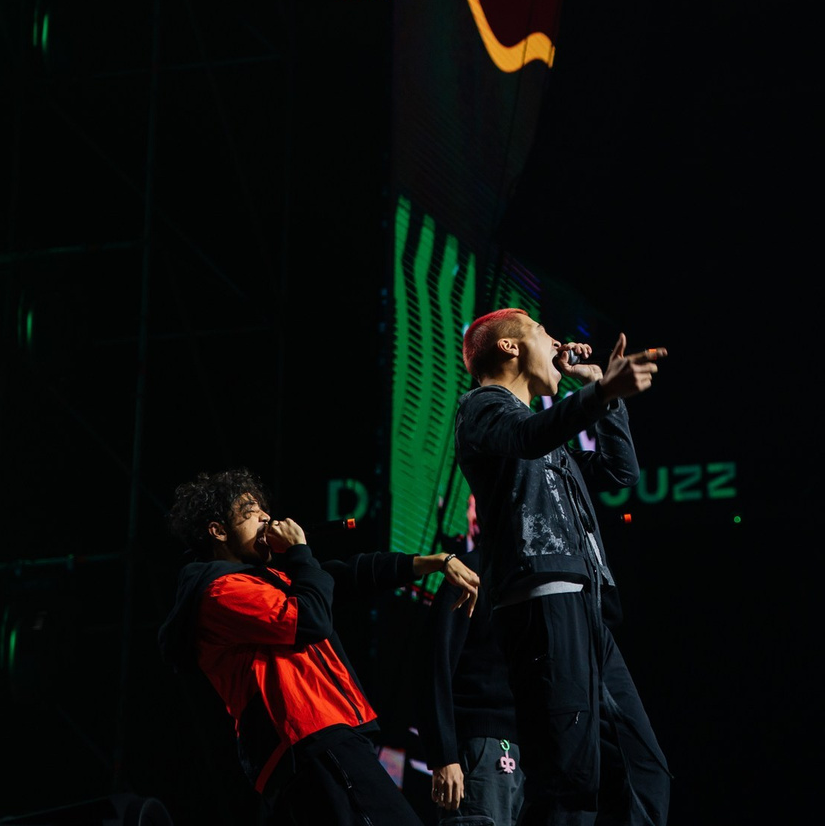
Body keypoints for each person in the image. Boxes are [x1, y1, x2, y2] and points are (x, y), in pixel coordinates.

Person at [157, 467, 481, 825]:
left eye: (265, 510)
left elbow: (350, 575)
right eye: (250, 513)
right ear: (218, 531)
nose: (266, 519)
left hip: (322, 737)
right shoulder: (221, 593)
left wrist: (434, 562)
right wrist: (299, 550)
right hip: (309, 737)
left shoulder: (267, 581)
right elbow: (309, 618)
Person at [454, 311, 672, 825]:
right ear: (509, 347)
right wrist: (598, 394)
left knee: (643, 769)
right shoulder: (482, 407)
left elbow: (621, 471)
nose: (557, 343)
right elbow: (528, 436)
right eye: (542, 333)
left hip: (586, 610)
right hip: (544, 606)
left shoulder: (542, 433)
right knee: (567, 783)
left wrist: (603, 393)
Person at [424, 538, 523, 824]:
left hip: (526, 752)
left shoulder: (530, 577)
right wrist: (444, 756)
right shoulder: (470, 571)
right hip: (483, 749)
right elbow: (434, 663)